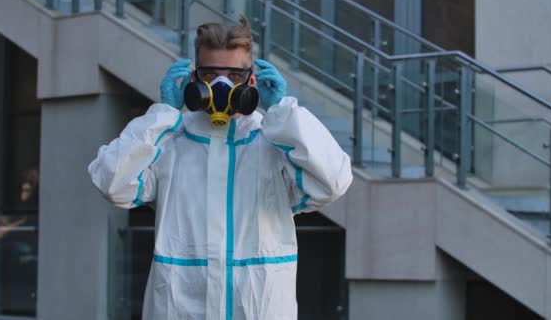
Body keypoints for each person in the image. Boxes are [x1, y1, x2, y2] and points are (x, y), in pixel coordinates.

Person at [88, 16, 353, 320]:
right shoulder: (170, 142)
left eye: (235, 75)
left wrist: (283, 113)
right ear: (194, 79)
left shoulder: (274, 143)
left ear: (251, 80)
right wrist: (161, 115)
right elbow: (111, 182)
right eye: (211, 74)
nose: (222, 85)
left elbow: (334, 181)